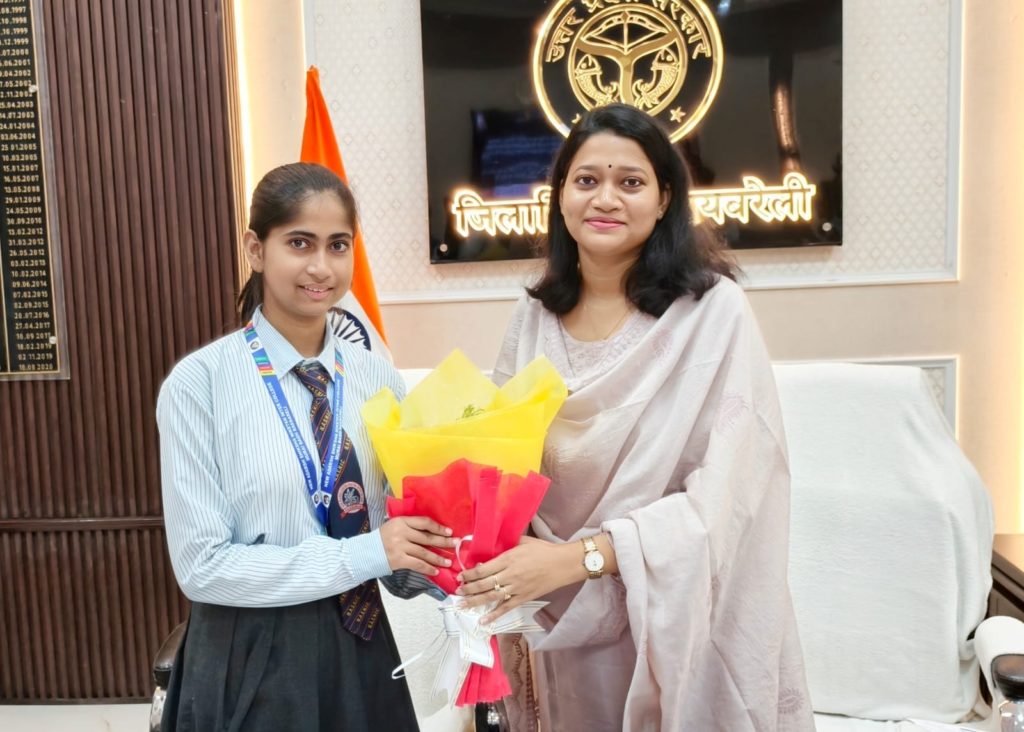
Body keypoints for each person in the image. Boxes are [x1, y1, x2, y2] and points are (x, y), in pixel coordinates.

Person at [456, 104, 815, 731]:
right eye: (586, 180)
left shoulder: (712, 312)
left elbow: (726, 494)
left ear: (663, 197)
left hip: (674, 611)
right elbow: (501, 454)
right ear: (560, 195)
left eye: (630, 181)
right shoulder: (534, 316)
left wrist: (579, 559)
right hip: (550, 608)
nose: (606, 199)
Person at [156, 162, 451, 731]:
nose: (321, 266)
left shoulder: (377, 378)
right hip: (248, 655)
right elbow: (202, 567)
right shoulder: (200, 384)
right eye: (299, 243)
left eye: (338, 245)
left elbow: (395, 541)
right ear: (256, 249)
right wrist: (369, 554)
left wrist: (459, 561)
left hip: (361, 644)